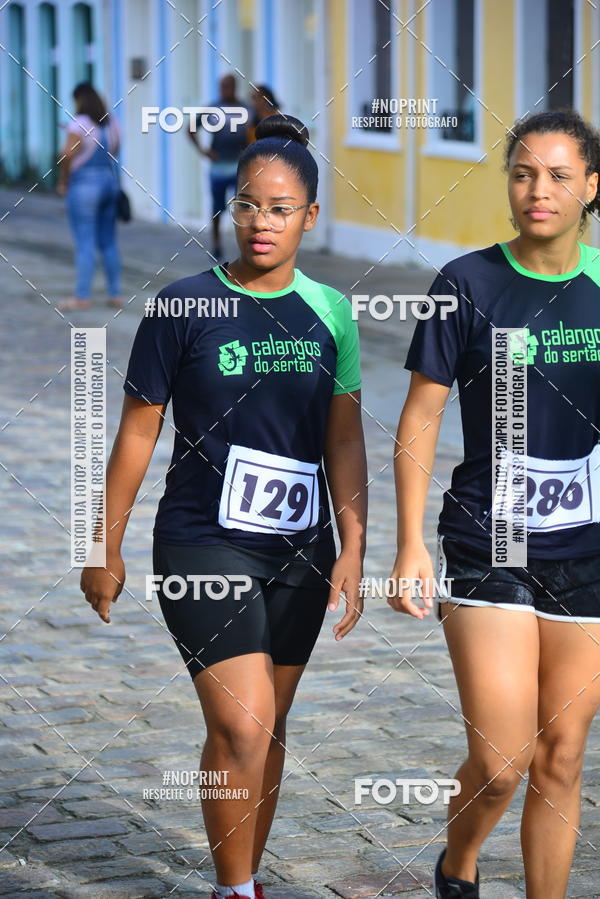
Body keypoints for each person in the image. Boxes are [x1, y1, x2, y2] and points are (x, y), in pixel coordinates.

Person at [81, 113, 367, 899]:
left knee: (266, 728)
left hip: (300, 546)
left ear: (310, 216)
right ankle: (233, 889)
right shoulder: (180, 308)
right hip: (202, 540)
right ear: (230, 208)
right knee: (241, 722)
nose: (259, 222)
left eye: (280, 207)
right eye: (247, 203)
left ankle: (247, 876)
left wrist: (354, 544)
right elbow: (135, 438)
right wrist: (101, 545)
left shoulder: (332, 313)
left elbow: (343, 442)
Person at [388, 108, 600, 899]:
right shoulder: (466, 284)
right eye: (522, 173)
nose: (537, 189)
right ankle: (459, 861)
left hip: (589, 545)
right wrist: (410, 543)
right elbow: (420, 417)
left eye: (557, 175)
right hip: (491, 538)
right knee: (504, 760)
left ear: (591, 187)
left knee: (563, 753)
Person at [57, 82, 123, 310]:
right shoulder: (112, 122)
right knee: (108, 242)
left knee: (85, 241)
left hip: (84, 185)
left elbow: (67, 155)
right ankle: (115, 294)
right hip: (109, 182)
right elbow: (115, 151)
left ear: (79, 100)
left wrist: (64, 180)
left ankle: (82, 296)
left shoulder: (79, 123)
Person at [188, 73, 250, 262]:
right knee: (217, 208)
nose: (226, 90)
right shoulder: (212, 109)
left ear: (235, 87)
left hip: (239, 166)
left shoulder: (246, 109)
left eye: (229, 86)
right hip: (218, 167)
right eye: (223, 86)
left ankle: (246, 245)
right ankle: (216, 243)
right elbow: (190, 128)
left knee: (242, 207)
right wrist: (203, 151)